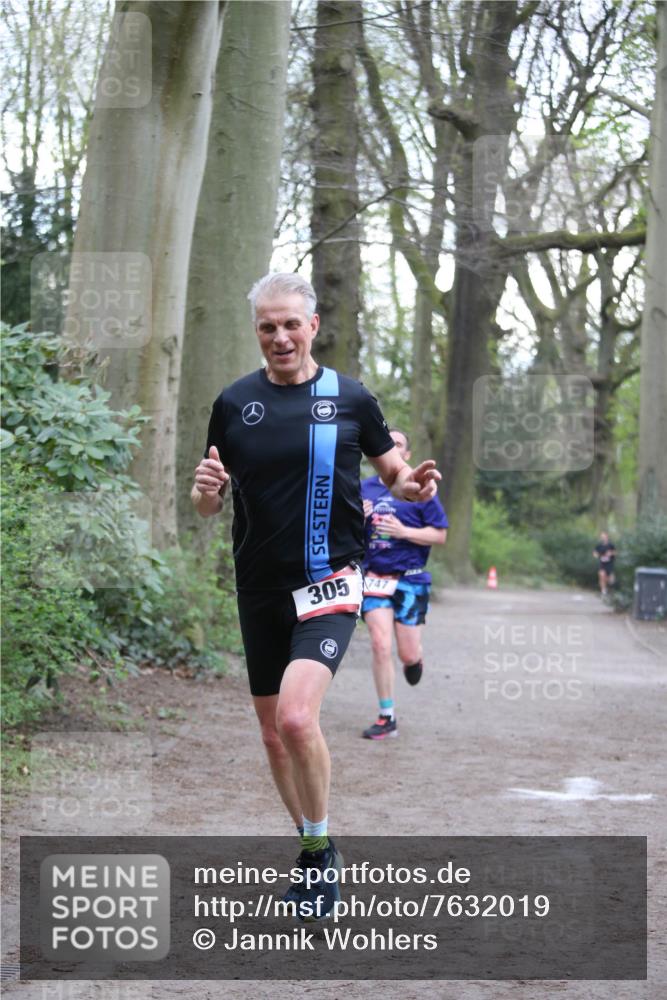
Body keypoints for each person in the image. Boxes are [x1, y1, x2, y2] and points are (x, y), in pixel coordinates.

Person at [191, 273, 441, 920]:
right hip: (258, 586)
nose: (279, 336)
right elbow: (207, 503)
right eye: (267, 326)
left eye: (290, 324)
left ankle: (321, 849)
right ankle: (311, 850)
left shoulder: (351, 398)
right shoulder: (232, 403)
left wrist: (412, 489)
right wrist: (204, 492)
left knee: (297, 718)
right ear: (257, 331)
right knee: (273, 737)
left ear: (312, 325)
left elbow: (394, 474)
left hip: (330, 580)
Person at [360, 429, 448, 739]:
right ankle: (387, 716)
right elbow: (342, 536)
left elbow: (440, 535)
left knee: (406, 654)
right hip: (374, 578)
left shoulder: (420, 488)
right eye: (388, 444)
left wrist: (404, 532)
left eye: (398, 445)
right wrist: (357, 518)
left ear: (406, 455)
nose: (393, 448)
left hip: (411, 580)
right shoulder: (362, 489)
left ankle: (415, 659)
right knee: (380, 644)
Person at [593, 530, 616, 595]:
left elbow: (615, 552)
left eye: (604, 536)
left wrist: (610, 553)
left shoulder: (611, 545)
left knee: (611, 580)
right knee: (601, 575)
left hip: (610, 564)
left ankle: (609, 587)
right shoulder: (599, 545)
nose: (603, 538)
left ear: (607, 537)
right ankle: (603, 590)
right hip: (602, 564)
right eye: (602, 537)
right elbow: (594, 553)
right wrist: (596, 555)